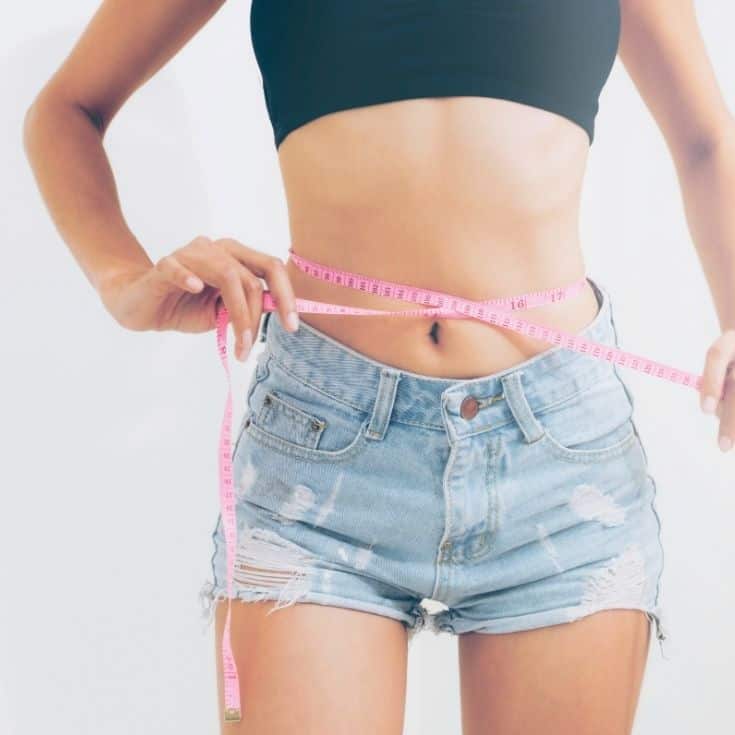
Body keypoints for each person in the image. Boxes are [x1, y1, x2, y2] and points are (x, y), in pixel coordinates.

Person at [22, 1, 735, 733]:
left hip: (557, 454)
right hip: (321, 451)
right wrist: (123, 283)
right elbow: (67, 109)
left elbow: (707, 138)